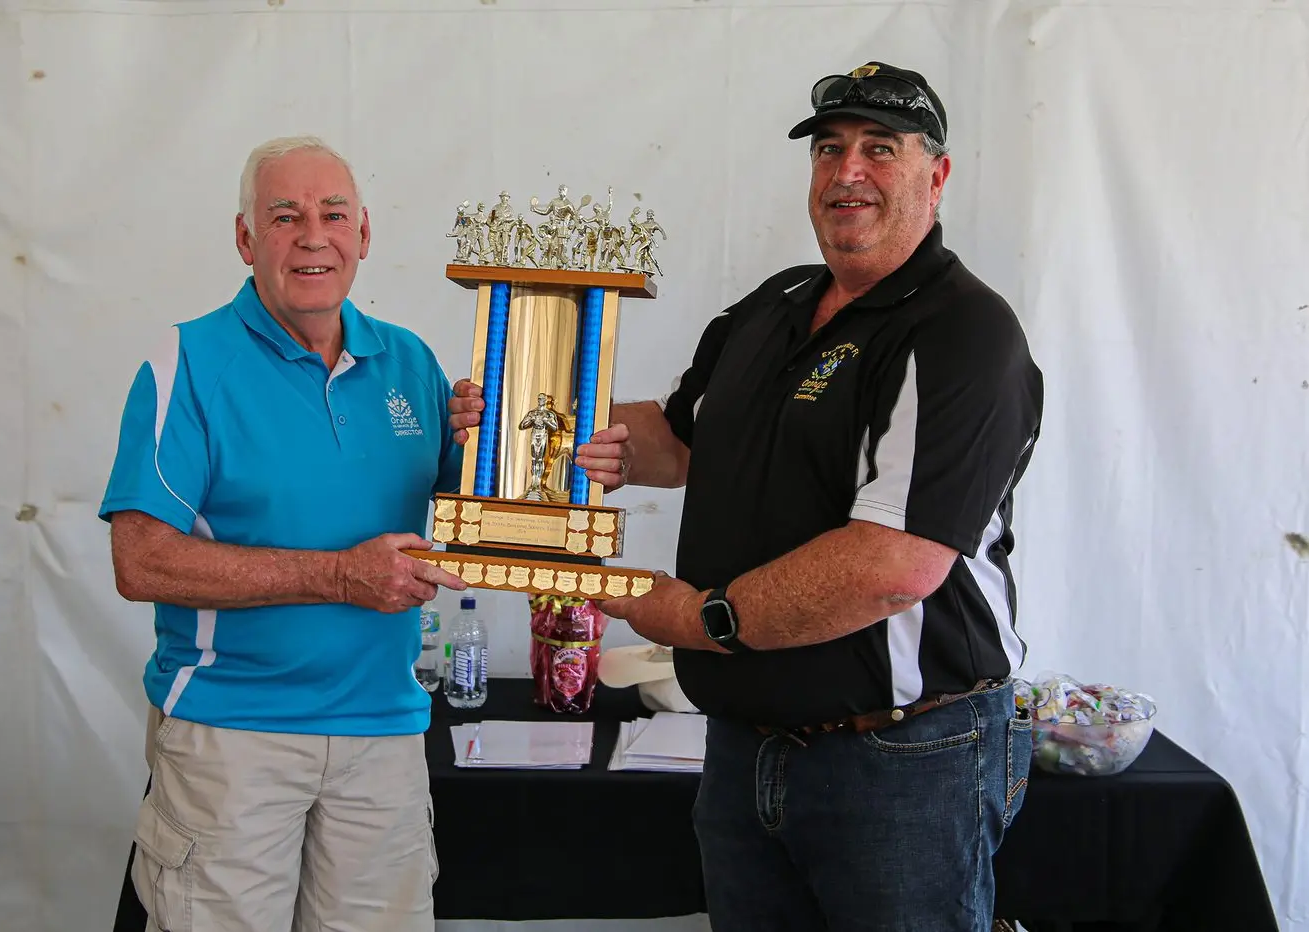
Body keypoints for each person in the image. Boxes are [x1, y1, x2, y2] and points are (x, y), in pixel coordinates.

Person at [448, 62, 1043, 931]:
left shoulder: (962, 335)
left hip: (906, 757)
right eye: (830, 149)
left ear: (937, 175)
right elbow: (681, 439)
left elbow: (892, 567)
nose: (848, 173)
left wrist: (701, 620)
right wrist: (523, 421)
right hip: (743, 749)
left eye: (881, 150)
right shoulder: (777, 305)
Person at [100, 135, 467, 932]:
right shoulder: (188, 363)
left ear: (363, 235)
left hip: (384, 735)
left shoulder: (411, 364)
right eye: (284, 216)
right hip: (232, 737)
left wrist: (523, 439)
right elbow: (141, 559)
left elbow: (475, 506)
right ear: (244, 238)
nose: (312, 235)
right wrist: (338, 577)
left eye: (334, 214)